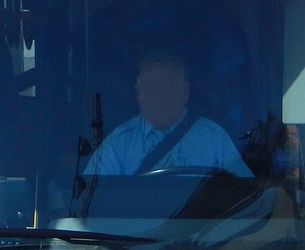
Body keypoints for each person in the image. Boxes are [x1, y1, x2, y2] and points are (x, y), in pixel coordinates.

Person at [85, 52, 252, 177]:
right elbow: (91, 199)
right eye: (151, 88)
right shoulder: (119, 143)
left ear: (185, 92)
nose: (159, 96)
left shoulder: (214, 138)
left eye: (168, 88)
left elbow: (245, 194)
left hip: (206, 224)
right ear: (139, 93)